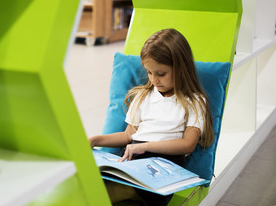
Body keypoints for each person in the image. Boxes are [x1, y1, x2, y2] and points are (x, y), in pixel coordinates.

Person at [89, 28, 214, 206]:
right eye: (149, 72)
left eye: (161, 74)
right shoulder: (142, 96)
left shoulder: (194, 101)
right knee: (90, 181)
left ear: (180, 69)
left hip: (161, 169)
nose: (154, 79)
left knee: (100, 193)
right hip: (131, 161)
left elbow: (188, 144)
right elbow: (127, 135)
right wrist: (95, 140)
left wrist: (145, 147)